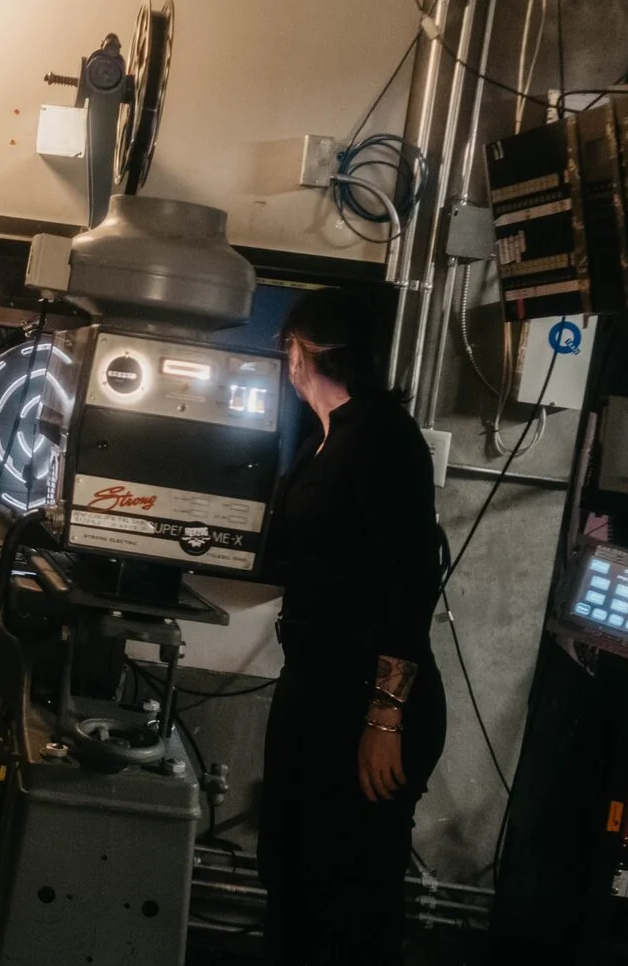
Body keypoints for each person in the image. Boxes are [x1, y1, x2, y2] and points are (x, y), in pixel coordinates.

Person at [256, 288, 448, 965]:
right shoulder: (324, 438)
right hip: (315, 687)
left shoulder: (381, 434)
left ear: (301, 349)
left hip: (366, 699)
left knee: (350, 894)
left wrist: (385, 718)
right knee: (291, 870)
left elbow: (411, 582)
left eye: (287, 344)